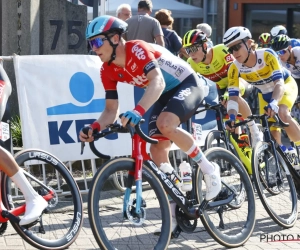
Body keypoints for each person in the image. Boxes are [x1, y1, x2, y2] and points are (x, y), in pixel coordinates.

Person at [81, 15, 221, 236]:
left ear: (116, 38)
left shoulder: (136, 48)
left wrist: (138, 111)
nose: (94, 48)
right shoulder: (106, 70)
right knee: (157, 152)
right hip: (164, 94)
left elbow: (158, 81)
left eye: (98, 42)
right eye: (91, 43)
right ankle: (175, 216)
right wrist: (95, 127)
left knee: (166, 124)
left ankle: (209, 169)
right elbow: (110, 110)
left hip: (186, 83)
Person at [223, 26, 300, 151]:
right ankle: (286, 158)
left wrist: (274, 102)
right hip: (264, 93)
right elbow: (233, 96)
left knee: (282, 113)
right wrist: (232, 117)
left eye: (237, 47)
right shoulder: (234, 67)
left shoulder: (267, 55)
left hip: (284, 85)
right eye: (231, 50)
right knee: (271, 130)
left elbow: (279, 83)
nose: (235, 53)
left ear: (248, 43)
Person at [182, 29, 261, 146]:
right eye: (188, 50)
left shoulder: (220, 50)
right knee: (229, 123)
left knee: (233, 95)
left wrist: (230, 91)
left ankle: (254, 131)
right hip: (221, 88)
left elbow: (236, 71)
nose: (191, 54)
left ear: (204, 46)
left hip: (240, 80)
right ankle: (238, 141)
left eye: (194, 49)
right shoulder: (191, 62)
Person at [271, 34, 300, 121]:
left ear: (290, 48)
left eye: (282, 52)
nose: (280, 55)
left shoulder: (298, 52)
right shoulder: (279, 61)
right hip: (295, 79)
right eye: (277, 53)